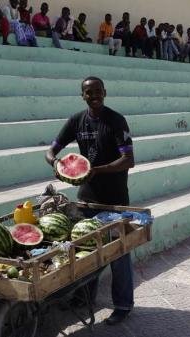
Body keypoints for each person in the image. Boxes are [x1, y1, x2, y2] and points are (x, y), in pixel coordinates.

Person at [45, 77, 135, 326]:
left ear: (104, 93)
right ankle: (85, 297)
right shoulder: (76, 120)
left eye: (97, 91)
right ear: (82, 95)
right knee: (87, 251)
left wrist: (97, 169)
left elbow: (128, 160)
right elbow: (51, 149)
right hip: (86, 199)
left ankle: (123, 305)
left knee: (119, 255)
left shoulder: (116, 120)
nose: (94, 95)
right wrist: (55, 162)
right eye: (88, 92)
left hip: (115, 200)